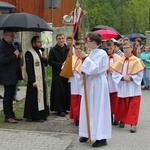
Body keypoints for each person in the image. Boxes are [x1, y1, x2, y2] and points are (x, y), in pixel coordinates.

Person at [78, 32, 111, 147]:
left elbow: (95, 69)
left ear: (93, 42)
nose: (86, 43)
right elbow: (87, 67)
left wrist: (85, 57)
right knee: (88, 107)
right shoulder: (92, 53)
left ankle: (101, 137)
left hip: (98, 83)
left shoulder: (102, 53)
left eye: (88, 41)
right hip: (90, 82)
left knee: (98, 108)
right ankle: (88, 132)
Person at [111, 41, 145, 133]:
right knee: (122, 105)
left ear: (131, 48)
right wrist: (122, 78)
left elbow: (140, 75)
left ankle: (133, 124)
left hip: (133, 87)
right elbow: (114, 74)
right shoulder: (119, 60)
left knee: (133, 106)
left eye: (127, 48)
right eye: (124, 48)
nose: (125, 50)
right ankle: (122, 120)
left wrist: (131, 78)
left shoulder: (137, 61)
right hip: (123, 86)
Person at [23, 36, 50, 122]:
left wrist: (44, 57)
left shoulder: (39, 52)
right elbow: (29, 69)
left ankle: (42, 115)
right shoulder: (29, 53)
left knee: (41, 98)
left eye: (41, 42)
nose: (40, 44)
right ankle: (35, 116)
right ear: (33, 43)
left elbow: (45, 64)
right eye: (38, 42)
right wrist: (33, 80)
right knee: (34, 98)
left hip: (41, 79)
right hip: (34, 81)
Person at [0, 29, 23, 123]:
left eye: (14, 36)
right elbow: (2, 60)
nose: (13, 38)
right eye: (12, 36)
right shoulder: (1, 45)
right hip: (7, 75)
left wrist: (19, 56)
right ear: (5, 35)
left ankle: (11, 114)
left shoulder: (11, 45)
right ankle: (7, 116)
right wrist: (14, 55)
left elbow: (14, 56)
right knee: (8, 96)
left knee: (11, 96)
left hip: (13, 74)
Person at [48, 33, 70, 117]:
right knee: (58, 92)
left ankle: (65, 108)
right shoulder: (53, 50)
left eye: (62, 38)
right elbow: (50, 61)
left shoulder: (67, 49)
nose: (61, 40)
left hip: (66, 73)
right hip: (57, 73)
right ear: (56, 40)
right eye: (59, 39)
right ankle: (59, 109)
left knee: (65, 90)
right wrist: (60, 65)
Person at [106, 40, 120, 125]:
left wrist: (114, 71)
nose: (109, 50)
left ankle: (117, 118)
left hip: (115, 82)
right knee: (108, 100)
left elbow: (120, 68)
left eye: (111, 48)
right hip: (107, 80)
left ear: (114, 48)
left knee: (116, 101)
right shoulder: (104, 57)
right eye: (108, 49)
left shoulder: (117, 57)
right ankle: (109, 116)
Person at [69, 41, 83, 126]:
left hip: (82, 82)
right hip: (74, 82)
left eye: (79, 48)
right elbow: (64, 68)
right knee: (75, 100)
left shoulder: (85, 58)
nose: (78, 50)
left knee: (81, 100)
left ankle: (82, 118)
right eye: (76, 48)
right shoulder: (71, 58)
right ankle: (76, 118)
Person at [12, 32, 24, 101]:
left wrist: (21, 64)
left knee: (15, 80)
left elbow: (21, 54)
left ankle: (14, 94)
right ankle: (13, 94)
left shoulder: (17, 42)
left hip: (16, 63)